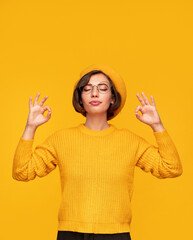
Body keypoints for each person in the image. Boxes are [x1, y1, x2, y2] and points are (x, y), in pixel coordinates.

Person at [12, 64, 183, 240]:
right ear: (80, 98)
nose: (95, 93)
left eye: (102, 88)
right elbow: (21, 172)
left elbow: (171, 168)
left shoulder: (130, 141)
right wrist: (30, 127)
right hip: (71, 234)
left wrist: (157, 125)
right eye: (87, 89)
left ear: (112, 98)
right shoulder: (61, 139)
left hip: (116, 234)